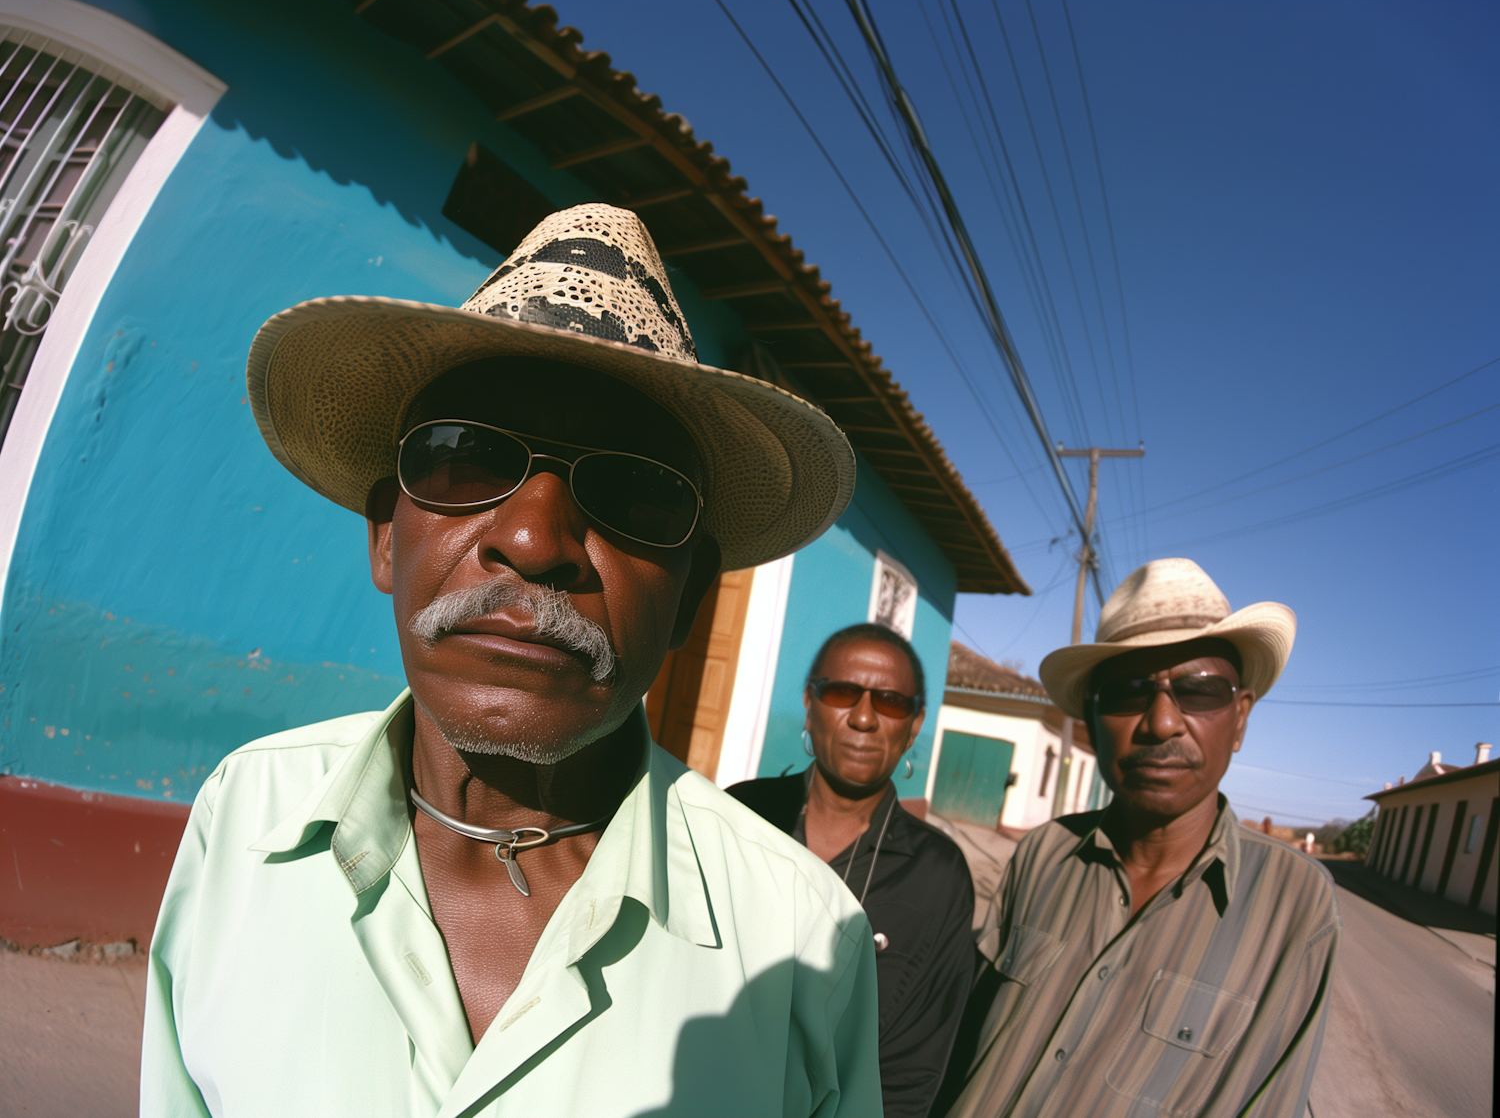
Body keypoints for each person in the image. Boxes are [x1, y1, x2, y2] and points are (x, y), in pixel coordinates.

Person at [141, 204, 883, 1116]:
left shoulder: (800, 942)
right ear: (384, 538)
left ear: (690, 599)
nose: (534, 539)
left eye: (635, 492)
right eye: (465, 458)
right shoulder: (242, 821)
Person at [941, 558, 1338, 1118]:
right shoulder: (1042, 854)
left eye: (1199, 691)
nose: (1161, 722)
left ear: (1241, 718)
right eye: (1129, 691)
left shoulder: (1295, 904)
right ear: (1092, 720)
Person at [730, 623, 976, 1118]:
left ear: (914, 724)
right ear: (809, 701)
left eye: (889, 701)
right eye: (843, 693)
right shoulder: (739, 816)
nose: (864, 718)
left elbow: (910, 1077)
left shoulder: (937, 876)